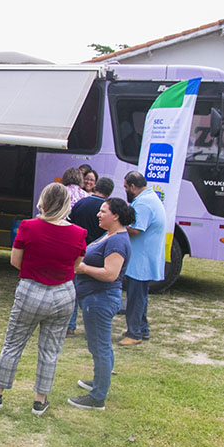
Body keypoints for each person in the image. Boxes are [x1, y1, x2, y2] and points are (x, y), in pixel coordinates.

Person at [0, 183, 86, 416]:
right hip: (63, 294)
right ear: (66, 204)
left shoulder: (28, 227)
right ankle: (40, 400)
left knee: (13, 343)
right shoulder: (79, 233)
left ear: (43, 202)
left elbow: (15, 260)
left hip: (31, 290)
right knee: (50, 350)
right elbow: (75, 266)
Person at [70, 198, 134, 410]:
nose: (98, 214)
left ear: (115, 215)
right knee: (98, 345)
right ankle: (99, 382)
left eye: (103, 211)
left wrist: (84, 268)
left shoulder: (117, 241)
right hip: (94, 298)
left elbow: (110, 274)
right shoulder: (110, 235)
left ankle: (97, 397)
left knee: (100, 346)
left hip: (100, 299)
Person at [121, 171, 166, 346]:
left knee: (135, 297)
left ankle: (134, 333)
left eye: (126, 187)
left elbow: (136, 229)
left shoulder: (144, 204)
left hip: (141, 260)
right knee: (140, 296)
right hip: (145, 257)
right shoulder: (149, 198)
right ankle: (142, 328)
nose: (125, 190)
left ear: (133, 186)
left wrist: (116, 228)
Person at [66, 176, 115, 335]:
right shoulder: (107, 210)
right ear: (110, 193)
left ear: (96, 187)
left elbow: (71, 224)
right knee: (94, 292)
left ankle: (70, 325)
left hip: (77, 251)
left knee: (73, 289)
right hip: (98, 253)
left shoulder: (81, 203)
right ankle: (92, 328)